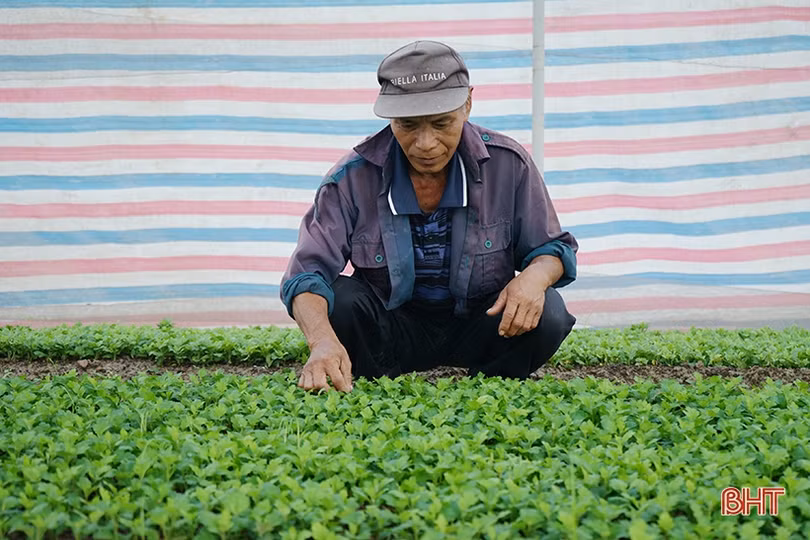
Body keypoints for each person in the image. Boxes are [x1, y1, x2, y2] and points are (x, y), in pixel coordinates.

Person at [281, 40, 577, 393]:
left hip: (481, 324)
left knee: (549, 312)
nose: (425, 143)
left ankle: (490, 386)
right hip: (390, 331)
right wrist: (321, 341)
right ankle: (377, 380)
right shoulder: (351, 178)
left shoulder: (509, 165)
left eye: (441, 123)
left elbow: (553, 249)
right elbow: (305, 274)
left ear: (467, 104)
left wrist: (533, 278)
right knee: (340, 302)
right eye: (407, 125)